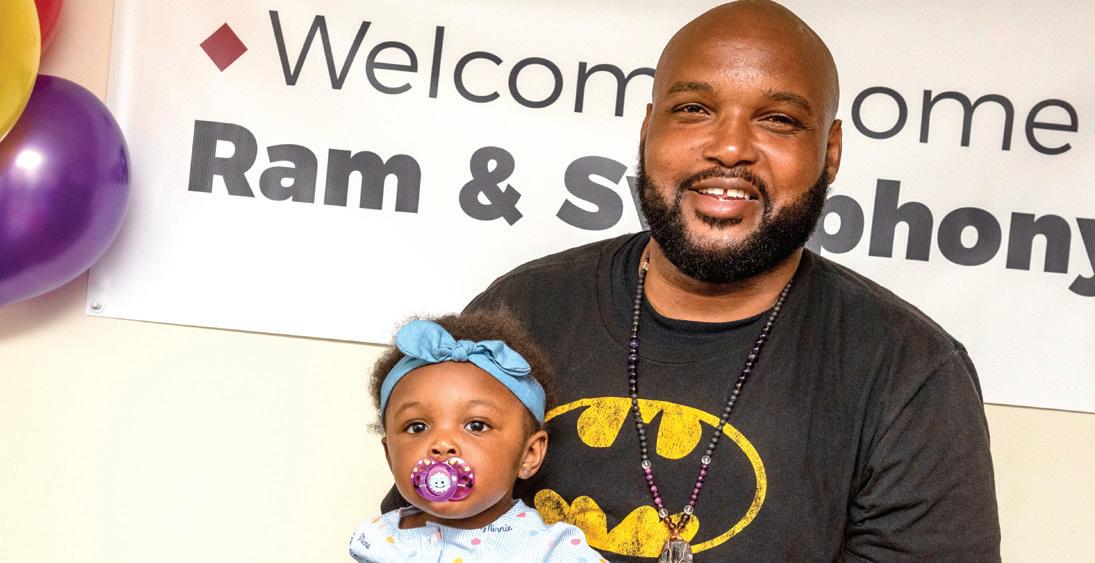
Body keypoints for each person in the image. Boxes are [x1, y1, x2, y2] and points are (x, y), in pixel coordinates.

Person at [386, 1, 1001, 561]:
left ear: (831, 150)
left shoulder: (908, 370)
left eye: (778, 120)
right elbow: (421, 530)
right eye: (694, 110)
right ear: (648, 128)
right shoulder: (522, 310)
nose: (730, 148)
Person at [352, 312, 605, 562]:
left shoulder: (551, 549)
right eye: (417, 427)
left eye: (476, 425)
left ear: (528, 454)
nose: (442, 444)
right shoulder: (378, 538)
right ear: (390, 455)